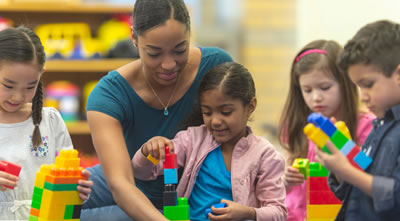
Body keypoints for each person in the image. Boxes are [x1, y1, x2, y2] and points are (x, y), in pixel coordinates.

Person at [81, 0, 233, 220]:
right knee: (61, 203)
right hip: (131, 184)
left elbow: (239, 143)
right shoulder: (108, 95)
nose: (169, 64)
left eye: (180, 50)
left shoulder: (216, 67)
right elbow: (121, 184)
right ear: (134, 37)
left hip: (194, 195)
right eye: (154, 53)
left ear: (190, 34)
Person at [132, 62, 287, 221]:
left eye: (226, 112)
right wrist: (147, 153)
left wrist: (249, 213)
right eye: (207, 112)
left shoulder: (265, 155)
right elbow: (143, 173)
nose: (215, 121)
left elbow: (279, 212)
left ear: (250, 106)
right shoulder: (192, 139)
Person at [0, 26, 93, 220]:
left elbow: (68, 173)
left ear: (41, 74)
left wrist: (77, 189)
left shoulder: (49, 120)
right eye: (8, 86)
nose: (18, 96)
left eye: (30, 86)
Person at [277, 39, 375, 221]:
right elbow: (281, 187)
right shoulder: (297, 125)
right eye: (307, 90)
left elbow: (368, 175)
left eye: (325, 87)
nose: (316, 97)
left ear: (345, 82)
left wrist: (341, 155)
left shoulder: (366, 125)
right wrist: (287, 181)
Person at [316, 20, 400, 221]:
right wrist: (340, 166)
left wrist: (347, 170)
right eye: (358, 87)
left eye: (368, 85)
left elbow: (395, 194)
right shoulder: (379, 125)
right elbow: (360, 177)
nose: (363, 96)